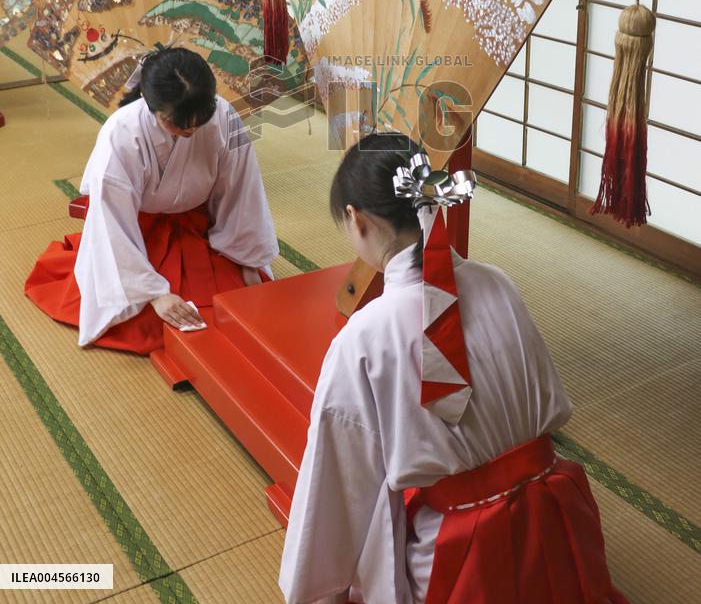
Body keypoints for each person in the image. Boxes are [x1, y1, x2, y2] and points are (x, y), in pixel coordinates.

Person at [279, 133, 628, 604]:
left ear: (355, 219)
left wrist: (321, 590)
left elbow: (339, 484)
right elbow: (549, 404)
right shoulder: (497, 283)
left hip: (466, 549)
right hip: (559, 522)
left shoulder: (364, 338)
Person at [25, 47, 278, 354]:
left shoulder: (225, 116)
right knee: (144, 323)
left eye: (201, 119)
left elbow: (242, 189)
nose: (190, 129)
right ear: (149, 101)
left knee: (234, 305)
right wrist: (154, 293)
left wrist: (246, 257)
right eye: (177, 122)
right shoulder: (120, 133)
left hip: (199, 228)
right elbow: (111, 220)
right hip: (136, 234)